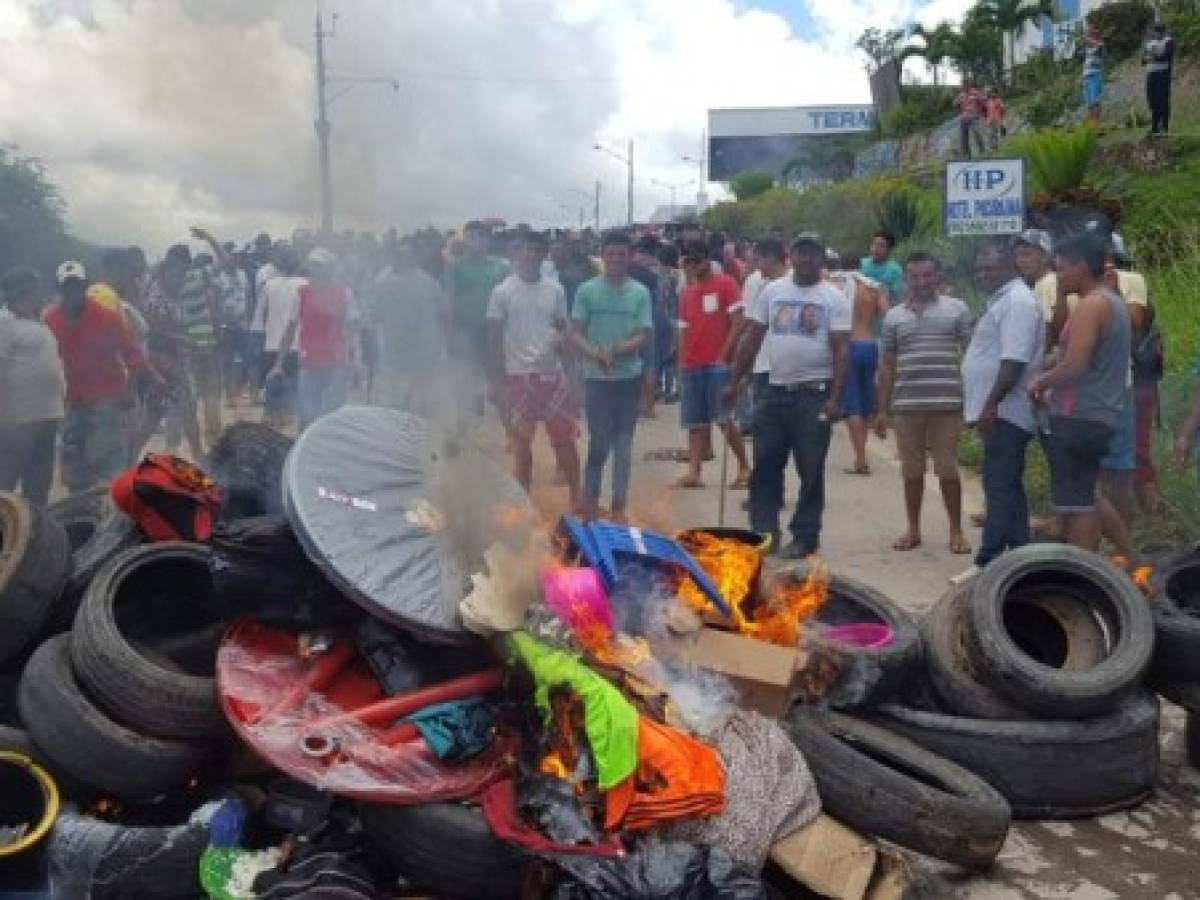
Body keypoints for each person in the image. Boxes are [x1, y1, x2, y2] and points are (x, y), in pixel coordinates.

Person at [727, 234, 850, 559]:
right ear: (791, 256)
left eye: (813, 254)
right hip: (773, 391)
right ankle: (764, 532)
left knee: (811, 469)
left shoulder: (833, 298)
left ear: (821, 259)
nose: (806, 259)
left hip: (814, 394)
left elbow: (841, 350)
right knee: (765, 464)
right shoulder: (773, 291)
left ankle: (806, 536)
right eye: (801, 252)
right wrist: (734, 380)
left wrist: (836, 397)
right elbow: (752, 338)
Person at [1029, 234, 1131, 553]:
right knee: (1086, 493)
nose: (1058, 276)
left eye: (1061, 269)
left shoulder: (1092, 305)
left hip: (1080, 415)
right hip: (1099, 412)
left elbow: (1075, 365)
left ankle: (1080, 574)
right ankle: (1134, 558)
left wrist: (1040, 383)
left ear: (1082, 267)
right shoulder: (1110, 301)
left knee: (1077, 506)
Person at [953, 241, 1045, 585]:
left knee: (999, 486)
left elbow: (1014, 361)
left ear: (1010, 266)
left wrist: (991, 404)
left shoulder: (1018, 303)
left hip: (1008, 410)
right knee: (1006, 484)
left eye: (988, 267)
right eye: (979, 268)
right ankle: (1021, 556)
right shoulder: (1005, 301)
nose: (981, 274)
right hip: (1000, 409)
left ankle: (988, 560)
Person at [875, 253, 972, 556]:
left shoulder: (957, 310)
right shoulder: (893, 317)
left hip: (947, 404)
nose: (921, 282)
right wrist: (882, 409)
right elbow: (888, 364)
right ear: (906, 279)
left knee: (947, 470)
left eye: (927, 275)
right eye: (915, 277)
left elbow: (972, 355)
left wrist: (973, 401)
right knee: (911, 472)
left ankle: (956, 531)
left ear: (937, 277)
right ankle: (913, 529)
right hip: (907, 405)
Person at [44, 262, 161, 493]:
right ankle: (77, 508)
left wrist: (153, 379)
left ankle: (110, 509)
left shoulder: (106, 317)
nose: (73, 293)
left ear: (85, 287)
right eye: (67, 288)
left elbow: (132, 352)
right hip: (70, 400)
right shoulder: (50, 321)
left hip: (105, 398)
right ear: (60, 290)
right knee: (73, 461)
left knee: (107, 462)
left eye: (77, 287)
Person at [487, 230, 581, 509]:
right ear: (517, 254)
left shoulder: (555, 289)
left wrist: (573, 372)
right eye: (526, 250)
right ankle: (523, 503)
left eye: (537, 250)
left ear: (544, 254)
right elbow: (492, 337)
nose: (531, 255)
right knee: (521, 445)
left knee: (565, 441)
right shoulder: (502, 292)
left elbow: (564, 329)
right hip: (517, 376)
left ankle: (577, 497)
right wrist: (496, 379)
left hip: (552, 374)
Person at [568, 231, 652, 523]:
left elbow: (644, 334)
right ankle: (590, 508)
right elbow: (575, 331)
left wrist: (616, 350)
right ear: (602, 256)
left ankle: (618, 508)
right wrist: (593, 353)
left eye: (621, 254)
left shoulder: (640, 292)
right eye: (611, 254)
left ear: (629, 257)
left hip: (628, 379)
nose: (616, 259)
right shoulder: (587, 291)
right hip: (596, 380)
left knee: (624, 448)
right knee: (599, 444)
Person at [674, 241, 749, 490]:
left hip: (717, 365)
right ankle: (694, 471)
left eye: (697, 260)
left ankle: (744, 466)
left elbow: (737, 323)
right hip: (693, 364)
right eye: (689, 262)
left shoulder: (726, 284)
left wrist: (723, 356)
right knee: (695, 422)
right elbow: (683, 331)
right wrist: (681, 361)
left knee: (723, 420)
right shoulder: (687, 293)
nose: (693, 266)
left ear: (707, 261)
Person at [272, 248, 357, 430]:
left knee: (332, 415)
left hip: (336, 362)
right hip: (310, 361)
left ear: (329, 269)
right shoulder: (302, 293)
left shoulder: (344, 294)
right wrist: (278, 362)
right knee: (307, 412)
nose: (315, 270)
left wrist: (354, 358)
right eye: (313, 266)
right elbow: (290, 327)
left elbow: (351, 328)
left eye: (319, 266)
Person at [0, 267, 65, 505]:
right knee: (5, 480)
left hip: (47, 417)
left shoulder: (40, 324)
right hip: (18, 420)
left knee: (38, 483)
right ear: (22, 294)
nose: (42, 296)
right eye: (36, 291)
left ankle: (34, 535)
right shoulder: (5, 322)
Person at [371, 238, 447, 419]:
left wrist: (437, 346)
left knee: (418, 401)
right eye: (399, 254)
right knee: (392, 401)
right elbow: (375, 313)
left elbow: (440, 315)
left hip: (420, 350)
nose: (402, 258)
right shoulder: (383, 280)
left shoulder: (428, 283)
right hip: (391, 349)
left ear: (414, 257)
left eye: (407, 254)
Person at [829, 254, 888, 476]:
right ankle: (863, 451)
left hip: (848, 346)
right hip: (869, 344)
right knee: (865, 399)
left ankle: (861, 459)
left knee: (851, 402)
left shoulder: (835, 286)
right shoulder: (873, 287)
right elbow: (886, 314)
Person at [447, 221, 510, 416]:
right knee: (468, 368)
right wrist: (449, 330)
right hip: (465, 327)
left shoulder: (501, 267)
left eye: (475, 238)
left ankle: (502, 407)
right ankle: (473, 407)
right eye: (468, 239)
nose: (471, 243)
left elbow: (510, 299)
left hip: (494, 329)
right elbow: (450, 298)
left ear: (486, 240)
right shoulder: (457, 267)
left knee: (495, 368)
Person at [258, 246, 307, 428]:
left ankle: (273, 425)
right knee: (293, 397)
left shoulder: (268, 285)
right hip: (296, 346)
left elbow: (263, 313)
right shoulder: (306, 284)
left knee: (273, 394)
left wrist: (270, 330)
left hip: (272, 344)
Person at [630, 235, 664, 418]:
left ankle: (634, 404)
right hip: (649, 321)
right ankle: (649, 407)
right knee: (650, 365)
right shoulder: (651, 273)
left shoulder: (626, 272)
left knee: (632, 363)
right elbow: (659, 300)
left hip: (629, 323)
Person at [213, 243, 251, 403]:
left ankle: (238, 390)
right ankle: (229, 395)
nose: (236, 259)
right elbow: (214, 301)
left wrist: (247, 316)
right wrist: (219, 323)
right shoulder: (218, 277)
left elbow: (248, 297)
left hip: (242, 325)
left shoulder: (243, 274)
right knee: (227, 361)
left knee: (245, 360)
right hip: (225, 326)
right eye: (233, 256)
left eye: (238, 257)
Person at [1013, 229, 1058, 349]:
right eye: (1017, 255)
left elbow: (1049, 329)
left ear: (1045, 257)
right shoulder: (1041, 284)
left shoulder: (1048, 283)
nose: (1020, 261)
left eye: (1026, 254)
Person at [1142, 22, 1174, 137]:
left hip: (1163, 73)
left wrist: (1153, 56)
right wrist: (1152, 57)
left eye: (1160, 31)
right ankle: (1155, 127)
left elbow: (1166, 56)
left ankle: (1164, 127)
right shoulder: (1149, 43)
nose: (1158, 33)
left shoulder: (1168, 41)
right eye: (1156, 31)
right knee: (1152, 100)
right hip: (1151, 73)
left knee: (1162, 100)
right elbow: (1143, 60)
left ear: (1164, 31)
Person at [860, 231, 903, 306]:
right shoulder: (861, 264)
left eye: (881, 246)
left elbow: (897, 297)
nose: (876, 248)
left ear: (889, 250)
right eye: (874, 244)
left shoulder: (895, 271)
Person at [954, 80, 985, 158]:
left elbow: (983, 101)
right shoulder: (961, 95)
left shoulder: (975, 92)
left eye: (964, 85)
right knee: (964, 137)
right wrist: (960, 111)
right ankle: (966, 154)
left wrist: (980, 111)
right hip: (964, 118)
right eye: (962, 85)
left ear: (968, 85)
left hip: (974, 117)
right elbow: (955, 103)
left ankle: (982, 150)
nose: (963, 87)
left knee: (976, 132)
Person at [1083, 24, 1105, 124]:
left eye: (1089, 32)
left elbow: (1100, 46)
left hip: (1095, 75)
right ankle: (1092, 125)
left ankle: (1098, 124)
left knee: (1096, 101)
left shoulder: (1099, 45)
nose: (1086, 35)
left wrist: (1089, 38)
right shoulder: (1088, 49)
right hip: (1086, 76)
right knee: (1089, 103)